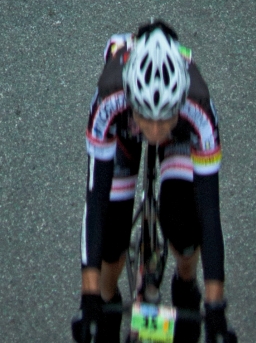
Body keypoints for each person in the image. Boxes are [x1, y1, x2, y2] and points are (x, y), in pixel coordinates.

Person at [78, 25, 229, 343]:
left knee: (185, 221)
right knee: (110, 235)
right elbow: (95, 202)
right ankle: (108, 297)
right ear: (132, 100)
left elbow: (210, 212)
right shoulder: (109, 99)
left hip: (183, 134)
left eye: (165, 119)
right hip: (122, 130)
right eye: (148, 118)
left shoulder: (198, 108)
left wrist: (216, 306)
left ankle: (185, 283)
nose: (157, 131)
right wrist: (89, 296)